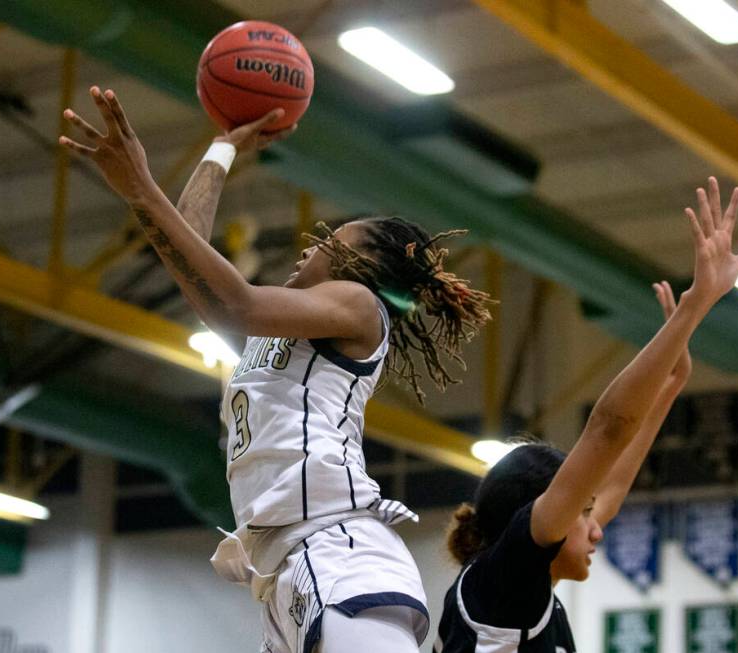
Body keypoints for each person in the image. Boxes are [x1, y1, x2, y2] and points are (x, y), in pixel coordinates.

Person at [60, 87, 492, 653]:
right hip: (284, 574)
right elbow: (194, 266)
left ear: (352, 269)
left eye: (323, 246)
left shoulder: (359, 308)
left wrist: (142, 187)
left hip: (338, 553)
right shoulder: (274, 336)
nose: (302, 254)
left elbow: (232, 299)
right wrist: (221, 149)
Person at [434, 177, 738, 652]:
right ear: (538, 512)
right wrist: (692, 308)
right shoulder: (502, 583)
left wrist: (667, 392)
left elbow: (606, 489)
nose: (598, 527)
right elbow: (607, 432)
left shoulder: (521, 586)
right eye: (583, 513)